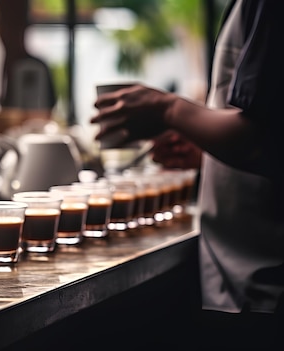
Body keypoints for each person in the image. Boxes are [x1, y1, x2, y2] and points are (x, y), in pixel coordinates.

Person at [92, 1, 284, 349]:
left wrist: (170, 109)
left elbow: (265, 139)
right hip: (248, 279)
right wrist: (207, 151)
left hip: (264, 285)